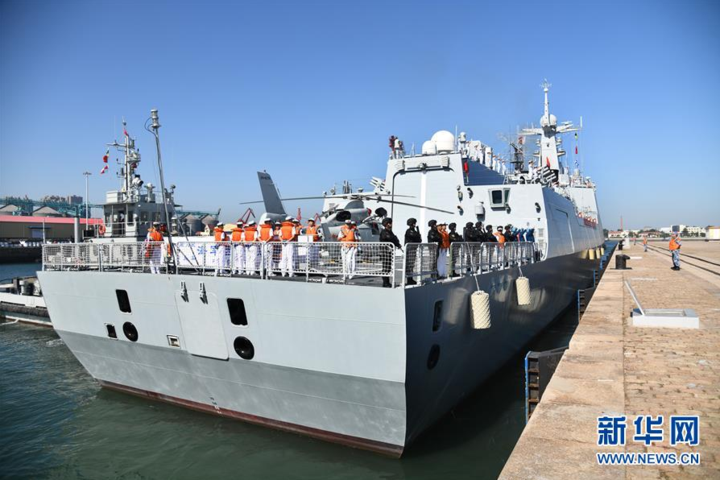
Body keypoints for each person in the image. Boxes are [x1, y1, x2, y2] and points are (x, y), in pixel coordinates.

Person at [379, 218, 401, 287]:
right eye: (389, 223)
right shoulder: (384, 232)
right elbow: (390, 238)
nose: (391, 224)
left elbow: (395, 239)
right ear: (386, 224)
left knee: (388, 267)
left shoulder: (390, 232)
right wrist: (394, 239)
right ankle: (385, 282)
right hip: (385, 252)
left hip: (389, 252)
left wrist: (398, 244)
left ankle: (387, 282)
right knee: (385, 267)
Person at [404, 218, 422, 285]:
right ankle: (409, 279)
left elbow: (419, 240)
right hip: (410, 249)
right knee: (409, 264)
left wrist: (418, 232)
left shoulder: (414, 231)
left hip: (413, 249)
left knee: (412, 265)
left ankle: (410, 278)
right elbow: (415, 236)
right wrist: (417, 234)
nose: (415, 224)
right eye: (414, 223)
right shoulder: (409, 231)